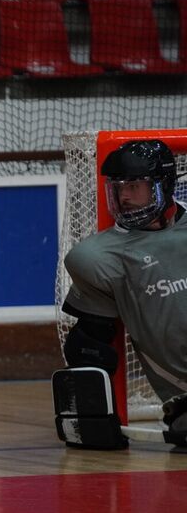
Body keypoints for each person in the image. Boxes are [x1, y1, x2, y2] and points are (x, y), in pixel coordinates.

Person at [58, 139, 187, 447]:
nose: (124, 196)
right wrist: (94, 419)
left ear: (163, 185)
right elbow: (90, 343)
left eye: (135, 186)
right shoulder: (98, 256)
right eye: (118, 187)